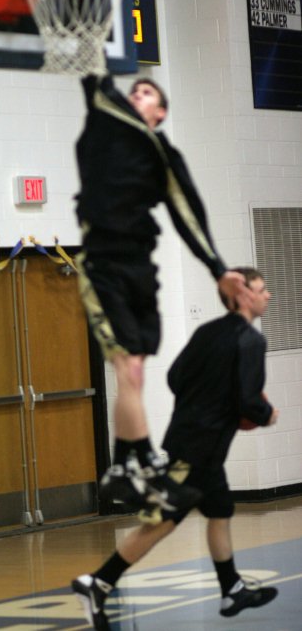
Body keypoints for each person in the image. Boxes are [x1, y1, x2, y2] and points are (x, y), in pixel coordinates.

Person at [74, 73, 252, 512]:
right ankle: (144, 464)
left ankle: (122, 468)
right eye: (133, 90)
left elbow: (186, 211)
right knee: (126, 369)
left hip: (141, 266)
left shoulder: (162, 153)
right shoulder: (105, 116)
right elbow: (92, 73)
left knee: (135, 369)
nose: (137, 94)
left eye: (148, 92)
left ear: (161, 113)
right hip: (103, 264)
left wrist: (217, 268)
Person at [72, 267, 279, 630]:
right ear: (242, 296)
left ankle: (231, 588)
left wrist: (202, 403)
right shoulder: (250, 341)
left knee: (220, 510)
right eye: (262, 289)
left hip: (197, 441)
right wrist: (267, 414)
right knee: (163, 520)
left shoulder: (206, 331)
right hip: (199, 447)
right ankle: (98, 582)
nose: (268, 295)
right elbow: (248, 401)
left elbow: (174, 377)